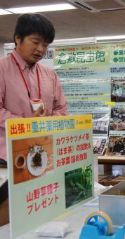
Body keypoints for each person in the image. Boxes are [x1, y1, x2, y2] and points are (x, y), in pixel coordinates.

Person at [0, 13, 68, 226]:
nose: (41, 49)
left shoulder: (50, 75)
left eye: (45, 45)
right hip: (7, 160)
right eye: (36, 42)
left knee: (36, 216)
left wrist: (46, 122)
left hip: (43, 157)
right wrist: (27, 123)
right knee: (8, 220)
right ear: (17, 39)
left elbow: (61, 109)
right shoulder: (1, 69)